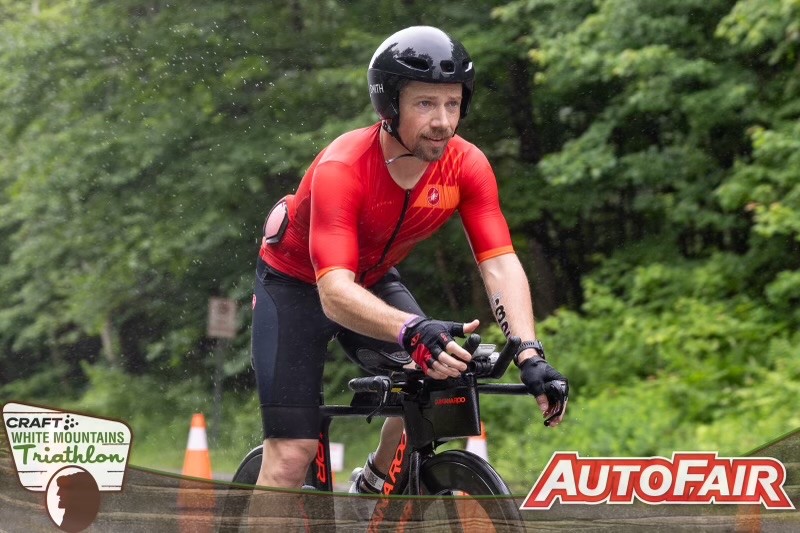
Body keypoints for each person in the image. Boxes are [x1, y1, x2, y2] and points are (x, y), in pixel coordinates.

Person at [250, 25, 568, 493]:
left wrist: (528, 351)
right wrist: (410, 329)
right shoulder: (344, 168)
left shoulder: (467, 165)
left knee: (438, 369)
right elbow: (334, 292)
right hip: (296, 288)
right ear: (390, 104)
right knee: (291, 455)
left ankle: (376, 482)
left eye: (452, 103)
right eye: (425, 103)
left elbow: (499, 262)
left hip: (372, 278)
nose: (442, 120)